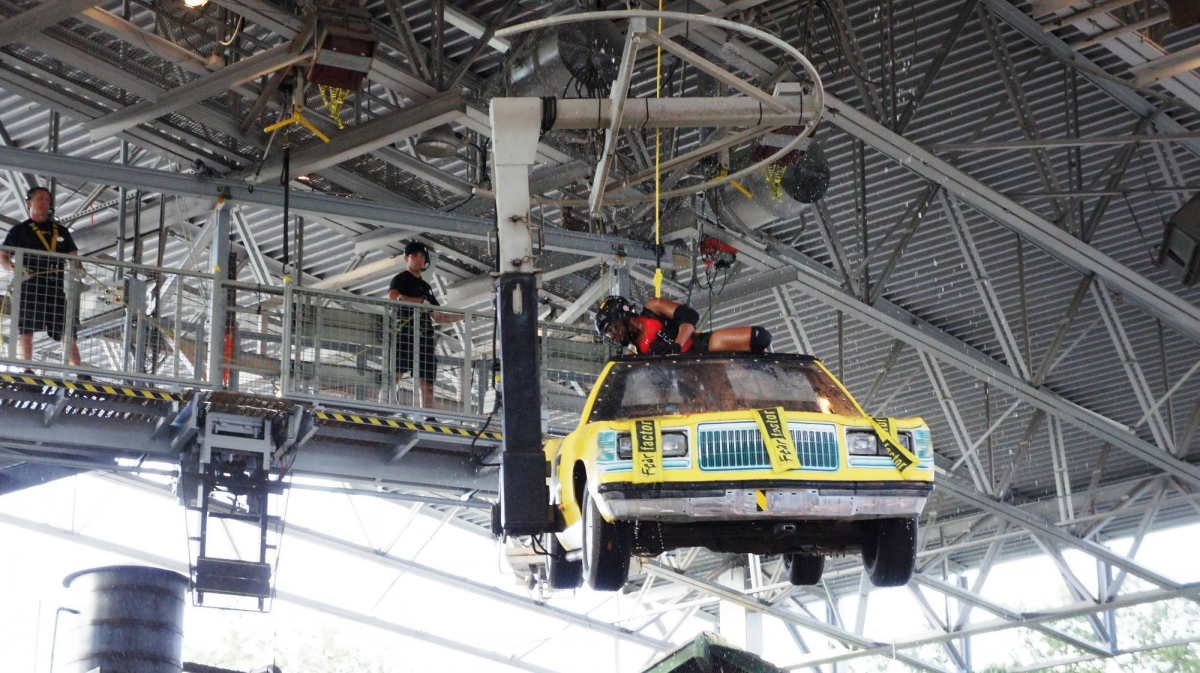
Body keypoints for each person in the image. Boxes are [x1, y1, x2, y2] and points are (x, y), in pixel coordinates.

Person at [0, 186, 84, 373]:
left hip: (55, 285)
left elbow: (73, 256)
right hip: (29, 285)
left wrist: (78, 268)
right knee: (27, 328)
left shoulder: (60, 231)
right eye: (40, 199)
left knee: (66, 328)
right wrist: (15, 269)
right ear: (29, 202)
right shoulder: (20, 231)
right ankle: (27, 369)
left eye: (47, 200)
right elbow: (3, 256)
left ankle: (79, 371)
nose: (45, 203)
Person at [387, 241, 461, 409]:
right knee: (396, 373)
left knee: (427, 382)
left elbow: (438, 316)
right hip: (404, 333)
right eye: (415, 256)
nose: (419, 260)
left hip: (425, 337)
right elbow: (392, 298)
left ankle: (428, 415)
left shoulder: (426, 287)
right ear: (406, 258)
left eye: (422, 256)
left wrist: (463, 317)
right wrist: (419, 302)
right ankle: (383, 407)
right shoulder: (401, 279)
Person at [594, 295, 772, 355]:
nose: (613, 336)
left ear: (621, 315)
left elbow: (690, 316)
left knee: (760, 336)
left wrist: (676, 345)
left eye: (611, 329)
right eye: (609, 335)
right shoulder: (639, 352)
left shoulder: (652, 308)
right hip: (689, 371)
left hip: (700, 345)